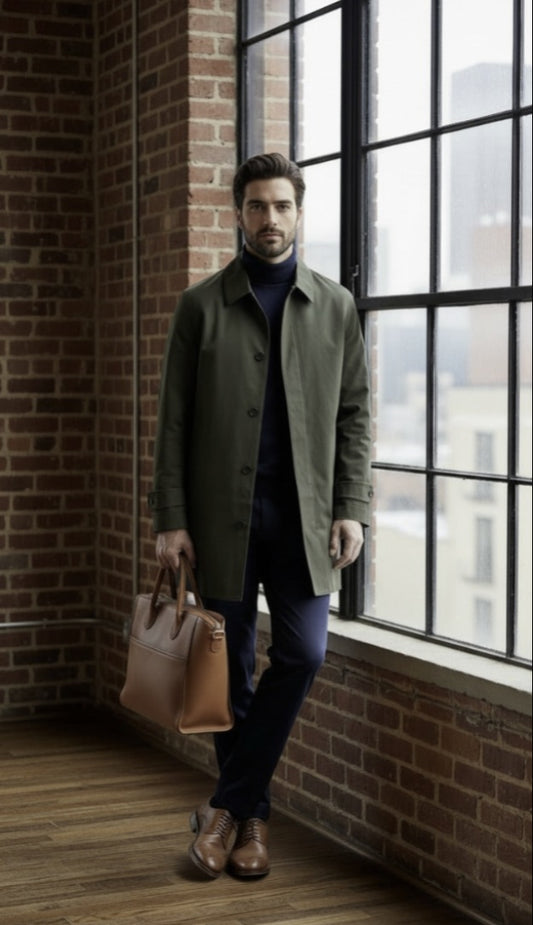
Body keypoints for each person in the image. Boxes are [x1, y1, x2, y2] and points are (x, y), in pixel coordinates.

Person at [148, 152, 372, 880]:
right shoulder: (200, 305)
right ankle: (250, 827)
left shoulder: (334, 305)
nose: (268, 219)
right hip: (221, 519)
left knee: (304, 653)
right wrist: (171, 519)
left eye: (280, 205)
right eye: (255, 206)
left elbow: (354, 416)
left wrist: (351, 506)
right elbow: (173, 423)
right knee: (229, 671)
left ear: (298, 211)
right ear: (237, 213)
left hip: (305, 522)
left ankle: (225, 804)